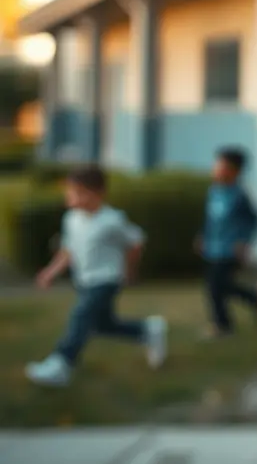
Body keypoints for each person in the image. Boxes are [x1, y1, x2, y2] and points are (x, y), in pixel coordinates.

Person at [24, 166, 168, 387]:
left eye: (78, 193)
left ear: (98, 193)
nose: (71, 197)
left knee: (80, 316)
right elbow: (67, 251)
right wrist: (50, 272)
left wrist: (129, 270)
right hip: (84, 280)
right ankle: (148, 330)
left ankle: (62, 363)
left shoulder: (112, 220)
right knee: (102, 325)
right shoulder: (71, 219)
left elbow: (136, 242)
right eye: (70, 192)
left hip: (106, 279)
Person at [197, 147, 257, 339]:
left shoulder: (239, 195)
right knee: (222, 286)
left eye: (221, 167)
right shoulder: (213, 191)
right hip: (212, 247)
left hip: (230, 249)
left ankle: (222, 326)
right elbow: (210, 219)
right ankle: (255, 298)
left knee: (214, 287)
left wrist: (244, 241)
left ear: (234, 171)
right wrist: (202, 236)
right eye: (215, 166)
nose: (215, 170)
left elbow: (254, 220)